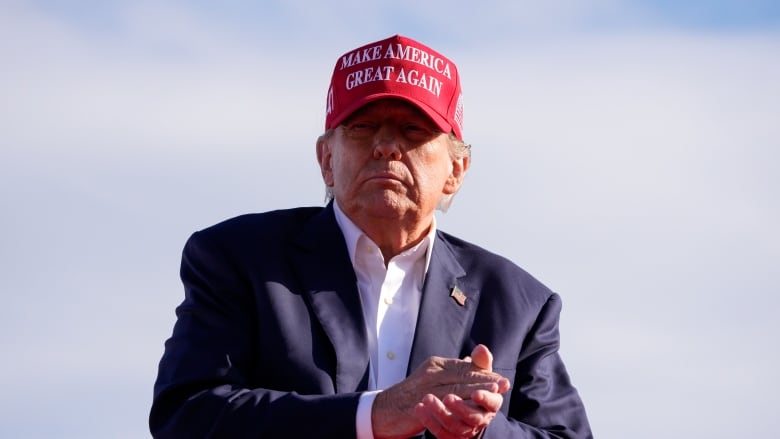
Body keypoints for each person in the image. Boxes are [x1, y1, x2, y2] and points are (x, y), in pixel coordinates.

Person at [150, 34, 592, 438]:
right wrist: (373, 415)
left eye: (413, 129)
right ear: (326, 158)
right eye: (362, 127)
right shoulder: (239, 259)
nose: (386, 146)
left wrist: (475, 430)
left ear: (456, 170)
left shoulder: (519, 304)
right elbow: (186, 416)